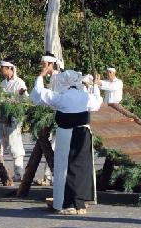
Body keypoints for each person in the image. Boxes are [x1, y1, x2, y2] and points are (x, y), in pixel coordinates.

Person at [32, 62, 103, 214]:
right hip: (83, 135)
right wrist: (96, 86)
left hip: (66, 135)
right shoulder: (86, 97)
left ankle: (68, 204)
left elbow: (38, 93)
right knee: (81, 168)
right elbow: (97, 103)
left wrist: (41, 75)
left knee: (65, 168)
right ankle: (79, 204)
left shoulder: (60, 98)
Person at [0, 60, 27, 179]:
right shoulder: (3, 83)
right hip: (2, 116)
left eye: (3, 68)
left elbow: (25, 98)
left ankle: (18, 173)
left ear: (10, 68)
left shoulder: (19, 82)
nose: (1, 70)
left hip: (14, 116)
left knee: (15, 143)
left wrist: (21, 94)